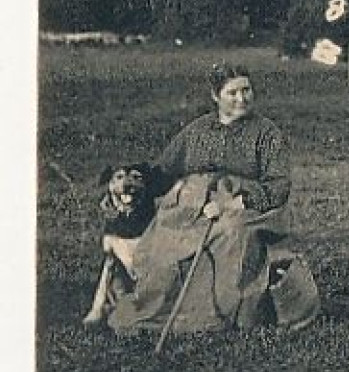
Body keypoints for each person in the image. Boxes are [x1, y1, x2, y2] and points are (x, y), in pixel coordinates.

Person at [107, 63, 319, 336]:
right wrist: (132, 185)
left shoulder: (266, 133)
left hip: (247, 207)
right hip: (193, 204)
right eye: (233, 93)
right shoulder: (197, 131)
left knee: (230, 234)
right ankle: (162, 308)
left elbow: (278, 186)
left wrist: (232, 204)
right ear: (216, 96)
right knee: (166, 238)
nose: (242, 98)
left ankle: (218, 315)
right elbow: (163, 170)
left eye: (247, 90)